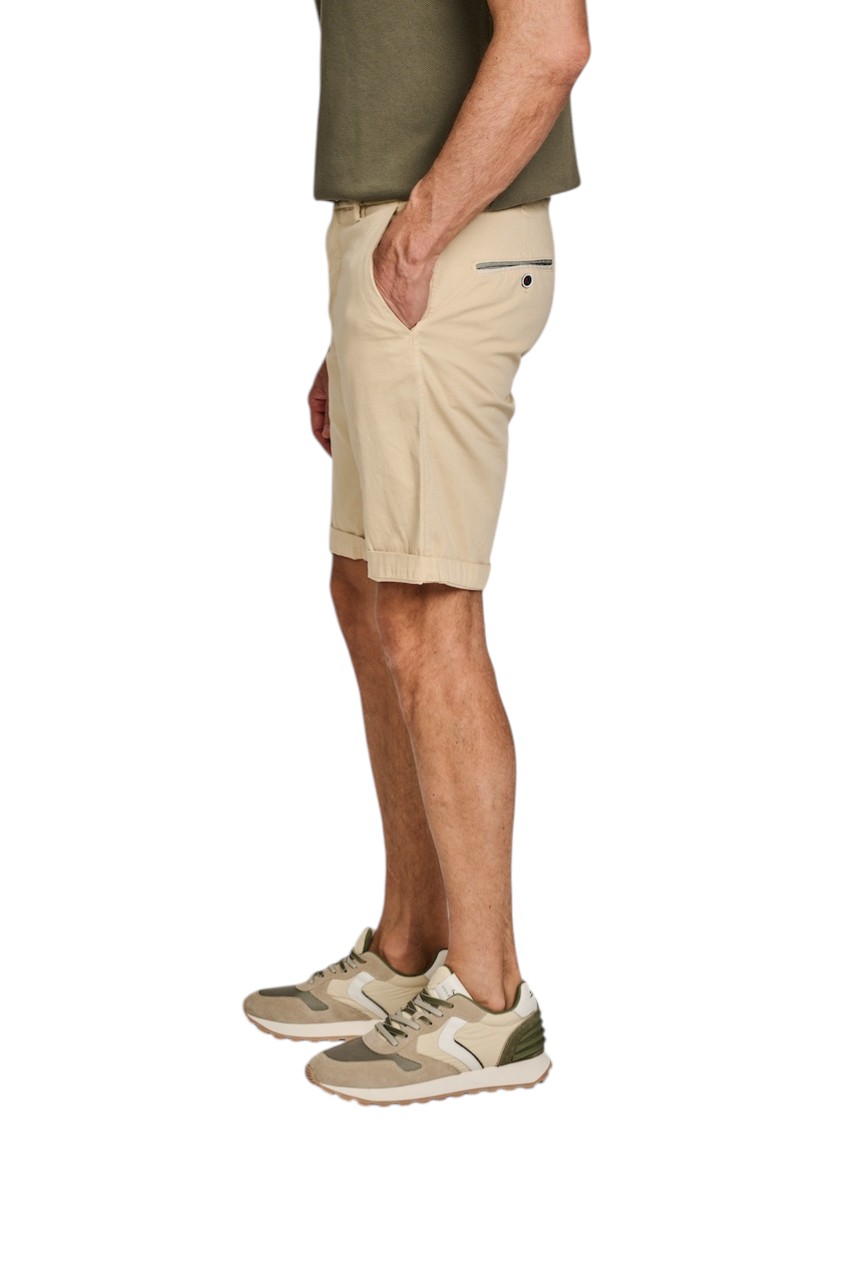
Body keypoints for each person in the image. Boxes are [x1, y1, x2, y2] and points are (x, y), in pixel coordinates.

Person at [243, 0, 590, 1105]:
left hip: (446, 240)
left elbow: (551, 42)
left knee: (428, 609)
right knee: (365, 589)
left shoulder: (427, 235)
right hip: (404, 246)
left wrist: (417, 235)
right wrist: (361, 308)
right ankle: (409, 950)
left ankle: (489, 1003)